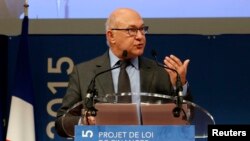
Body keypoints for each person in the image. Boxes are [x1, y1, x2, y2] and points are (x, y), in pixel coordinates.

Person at [55, 7, 191, 137]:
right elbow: (62, 122)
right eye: (131, 30)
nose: (140, 36)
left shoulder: (161, 72)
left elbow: (188, 117)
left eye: (142, 29)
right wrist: (84, 122)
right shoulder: (85, 72)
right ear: (111, 35)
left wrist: (180, 85)